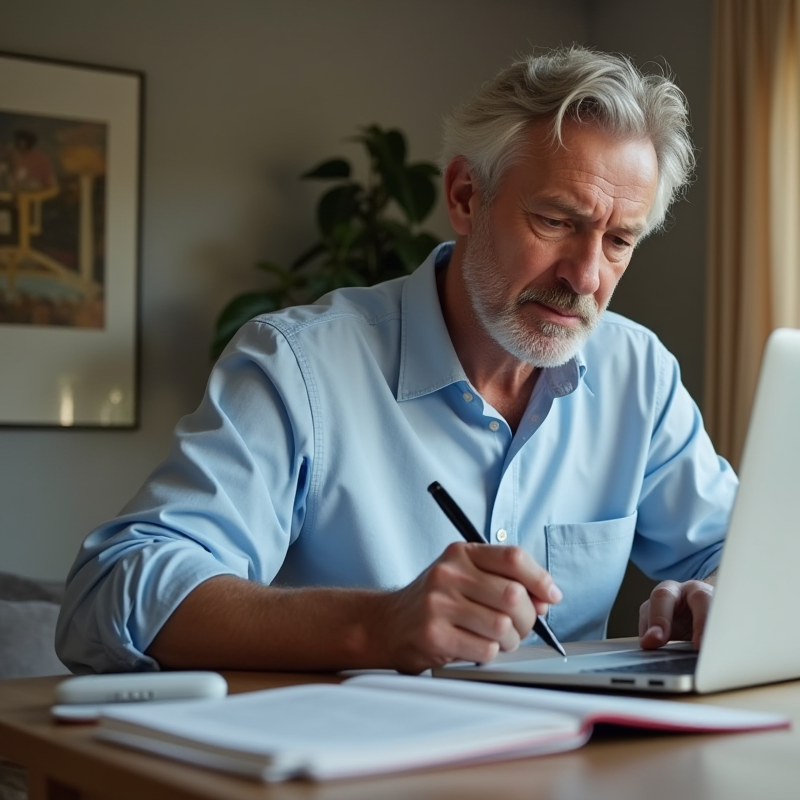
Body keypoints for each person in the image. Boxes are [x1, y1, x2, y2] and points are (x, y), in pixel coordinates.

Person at [56, 46, 738, 675]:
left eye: (619, 239)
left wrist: (711, 592)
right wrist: (375, 625)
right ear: (466, 197)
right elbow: (111, 588)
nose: (587, 276)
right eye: (556, 221)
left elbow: (743, 550)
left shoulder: (638, 375)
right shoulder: (299, 366)